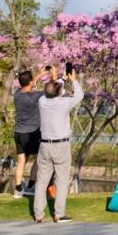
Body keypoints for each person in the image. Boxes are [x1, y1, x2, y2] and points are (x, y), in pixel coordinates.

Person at [33, 68, 85, 224]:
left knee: (41, 181)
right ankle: (59, 214)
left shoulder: (42, 102)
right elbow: (78, 95)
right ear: (59, 91)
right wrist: (71, 79)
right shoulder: (63, 103)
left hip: (44, 146)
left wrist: (58, 79)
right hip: (61, 146)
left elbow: (50, 91)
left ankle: (38, 214)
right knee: (61, 180)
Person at [13, 68, 45, 198]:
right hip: (33, 133)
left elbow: (28, 85)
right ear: (31, 82)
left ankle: (18, 189)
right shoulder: (35, 96)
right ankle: (31, 187)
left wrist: (38, 75)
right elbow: (50, 91)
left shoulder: (17, 94)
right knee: (38, 159)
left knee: (21, 162)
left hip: (19, 132)